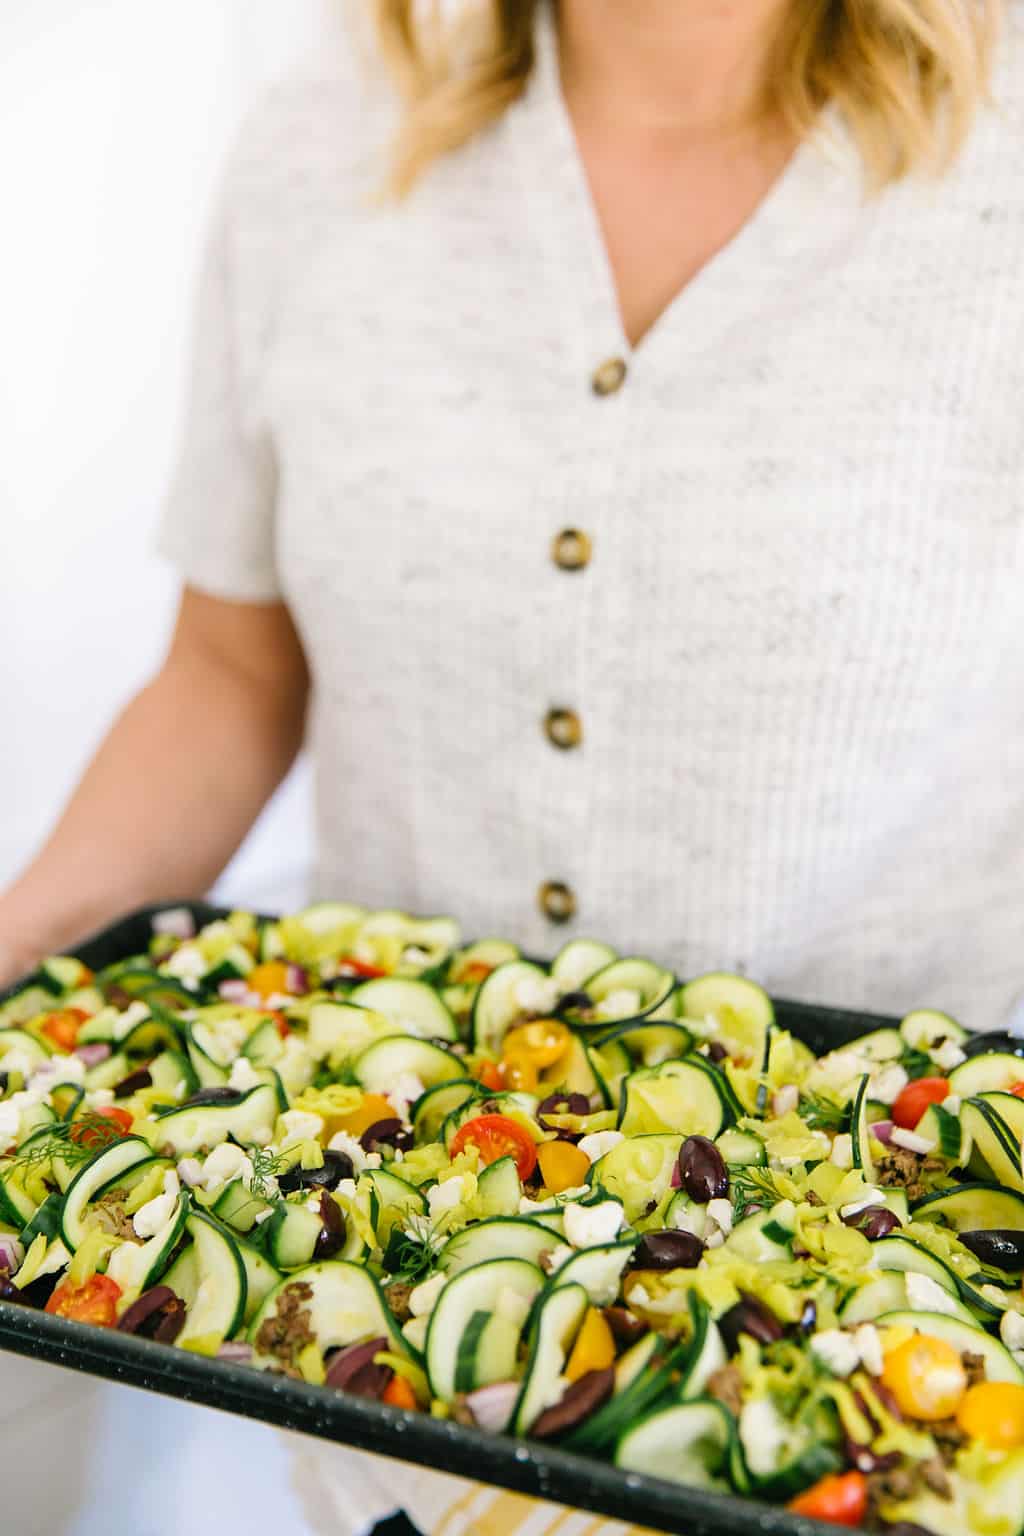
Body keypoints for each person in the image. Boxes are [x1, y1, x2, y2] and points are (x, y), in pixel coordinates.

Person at [1, 0, 1020, 1531]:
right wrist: (19, 965)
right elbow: (230, 671)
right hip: (393, 1360)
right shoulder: (319, 144)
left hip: (870, 1391)